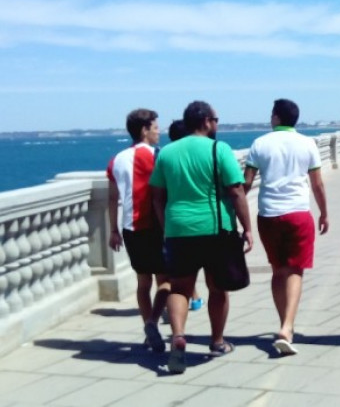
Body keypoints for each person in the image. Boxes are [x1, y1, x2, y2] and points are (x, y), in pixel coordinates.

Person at [150, 100, 254, 374]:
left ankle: (179, 335)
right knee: (218, 287)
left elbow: (157, 196)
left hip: (178, 230)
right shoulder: (219, 149)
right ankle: (217, 341)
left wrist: (166, 225)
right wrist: (248, 228)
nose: (218, 124)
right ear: (206, 121)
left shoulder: (167, 153)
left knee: (180, 287)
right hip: (215, 229)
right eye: (216, 119)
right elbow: (236, 191)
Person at [243, 98, 329, 356]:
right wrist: (324, 212)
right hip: (298, 214)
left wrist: (237, 213)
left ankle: (284, 324)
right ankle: (287, 326)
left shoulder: (260, 144)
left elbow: (245, 183)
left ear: (277, 117)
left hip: (268, 214)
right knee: (295, 271)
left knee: (277, 270)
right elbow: (317, 184)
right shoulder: (307, 143)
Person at [106, 108, 169, 353]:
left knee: (143, 282)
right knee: (166, 281)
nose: (158, 132)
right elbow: (162, 193)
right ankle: (153, 321)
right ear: (144, 130)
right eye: (155, 128)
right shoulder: (157, 156)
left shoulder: (116, 160)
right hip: (156, 225)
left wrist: (113, 230)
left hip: (130, 228)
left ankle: (147, 328)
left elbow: (113, 199)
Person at [167, 119, 202, 313]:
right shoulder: (200, 153)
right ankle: (195, 297)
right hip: (204, 221)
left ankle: (177, 331)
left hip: (173, 222)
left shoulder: (165, 156)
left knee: (178, 276)